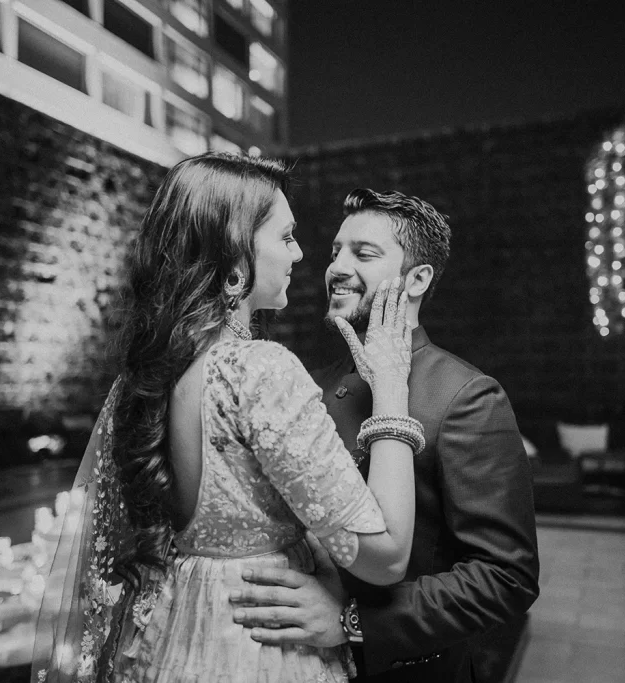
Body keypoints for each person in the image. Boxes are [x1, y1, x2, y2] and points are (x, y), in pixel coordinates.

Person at [31, 155, 423, 683]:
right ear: (235, 255)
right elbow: (386, 555)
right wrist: (393, 391)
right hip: (255, 646)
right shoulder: (259, 370)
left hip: (173, 629)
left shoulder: (147, 377)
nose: (300, 254)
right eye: (285, 238)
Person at [230, 189, 540, 682]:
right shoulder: (311, 380)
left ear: (417, 279)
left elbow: (506, 577)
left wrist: (351, 623)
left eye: (364, 254)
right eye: (336, 251)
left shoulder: (467, 396)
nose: (337, 266)